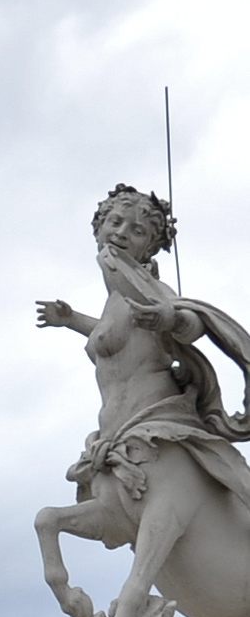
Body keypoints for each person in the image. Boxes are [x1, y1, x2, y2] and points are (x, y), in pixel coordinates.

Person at [37, 183, 250, 537]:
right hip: (113, 434)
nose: (121, 233)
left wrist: (170, 318)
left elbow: (191, 321)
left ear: (149, 246)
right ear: (99, 228)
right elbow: (113, 337)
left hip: (155, 422)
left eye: (137, 231)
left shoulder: (151, 290)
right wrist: (72, 319)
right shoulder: (115, 300)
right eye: (116, 222)